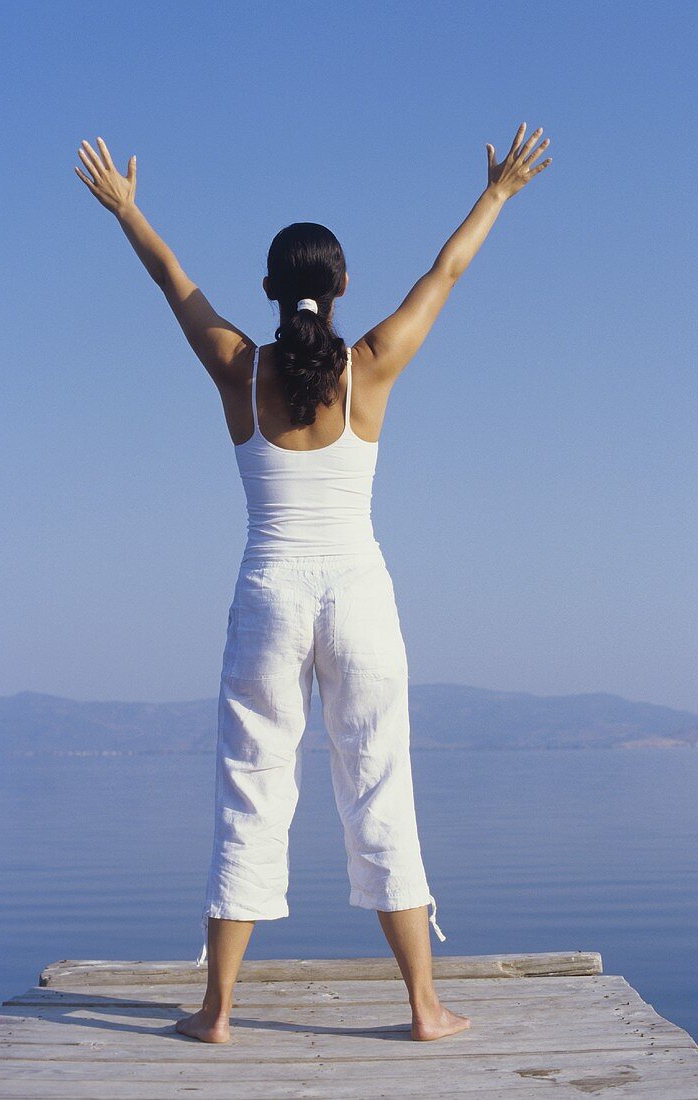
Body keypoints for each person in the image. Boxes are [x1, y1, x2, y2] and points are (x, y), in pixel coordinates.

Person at [75, 122, 552, 1043]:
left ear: (266, 290)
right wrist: (498, 194)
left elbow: (174, 282)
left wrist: (128, 208)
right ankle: (422, 1008)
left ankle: (216, 1013)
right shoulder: (368, 368)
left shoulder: (238, 369)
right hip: (359, 597)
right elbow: (444, 275)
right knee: (380, 788)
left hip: (266, 596)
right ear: (341, 290)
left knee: (250, 788)